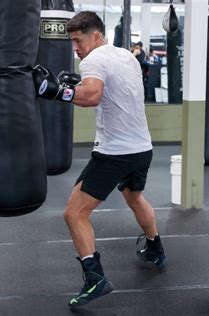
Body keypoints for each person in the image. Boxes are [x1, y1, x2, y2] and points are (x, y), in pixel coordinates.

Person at [33, 11, 166, 308]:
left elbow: (92, 96)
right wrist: (74, 84)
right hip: (142, 148)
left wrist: (53, 91)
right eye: (72, 42)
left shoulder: (93, 59)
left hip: (114, 153)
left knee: (74, 213)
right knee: (135, 198)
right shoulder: (125, 56)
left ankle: (95, 278)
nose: (75, 48)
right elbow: (108, 89)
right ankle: (155, 248)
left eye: (78, 41)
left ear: (95, 36)